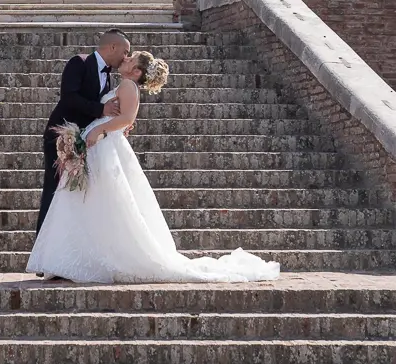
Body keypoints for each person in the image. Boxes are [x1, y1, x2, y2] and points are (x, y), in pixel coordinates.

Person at [27, 50, 281, 284]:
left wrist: (100, 130)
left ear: (136, 71)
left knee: (102, 201)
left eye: (130, 59)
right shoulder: (123, 85)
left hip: (105, 146)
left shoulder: (127, 85)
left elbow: (127, 118)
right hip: (101, 147)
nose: (125, 59)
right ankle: (76, 256)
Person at [38, 29, 129, 232]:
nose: (126, 58)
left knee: (73, 195)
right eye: (125, 52)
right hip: (61, 137)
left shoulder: (109, 77)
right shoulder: (79, 62)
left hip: (83, 141)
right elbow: (69, 96)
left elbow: (105, 112)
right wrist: (101, 109)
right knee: (54, 190)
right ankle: (42, 245)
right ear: (113, 47)